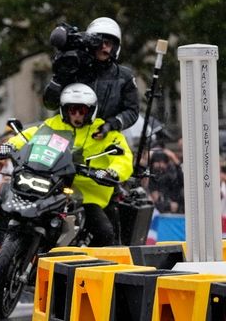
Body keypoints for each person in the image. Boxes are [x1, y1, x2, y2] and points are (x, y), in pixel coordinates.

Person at [8, 83, 133, 246]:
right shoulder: (54, 124)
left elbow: (123, 156)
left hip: (87, 195)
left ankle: (93, 268)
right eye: (72, 110)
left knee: (104, 232)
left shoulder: (104, 131)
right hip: (52, 188)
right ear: (64, 110)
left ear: (91, 111)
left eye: (82, 110)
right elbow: (30, 135)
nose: (77, 115)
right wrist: (10, 145)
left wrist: (113, 171)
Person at [43, 17, 140, 137]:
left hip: (103, 139)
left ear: (115, 47)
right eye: (98, 43)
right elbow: (50, 104)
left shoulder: (124, 76)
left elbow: (132, 111)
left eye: (108, 43)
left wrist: (111, 124)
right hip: (69, 138)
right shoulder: (74, 70)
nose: (103, 47)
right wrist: (60, 77)